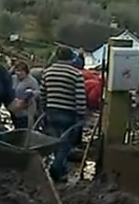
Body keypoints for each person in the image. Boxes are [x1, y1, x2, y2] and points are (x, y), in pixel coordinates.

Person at [40, 45, 87, 183]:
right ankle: (56, 168)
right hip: (68, 113)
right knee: (65, 144)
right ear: (70, 58)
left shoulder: (47, 72)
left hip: (51, 112)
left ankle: (61, 168)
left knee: (55, 142)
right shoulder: (76, 74)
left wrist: (44, 110)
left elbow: (43, 94)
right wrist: (81, 115)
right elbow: (80, 96)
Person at [12, 62, 41, 130]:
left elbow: (38, 93)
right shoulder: (13, 79)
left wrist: (31, 93)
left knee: (25, 128)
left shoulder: (32, 81)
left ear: (26, 71)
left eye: (21, 71)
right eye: (17, 70)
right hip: (15, 110)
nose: (18, 73)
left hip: (27, 111)